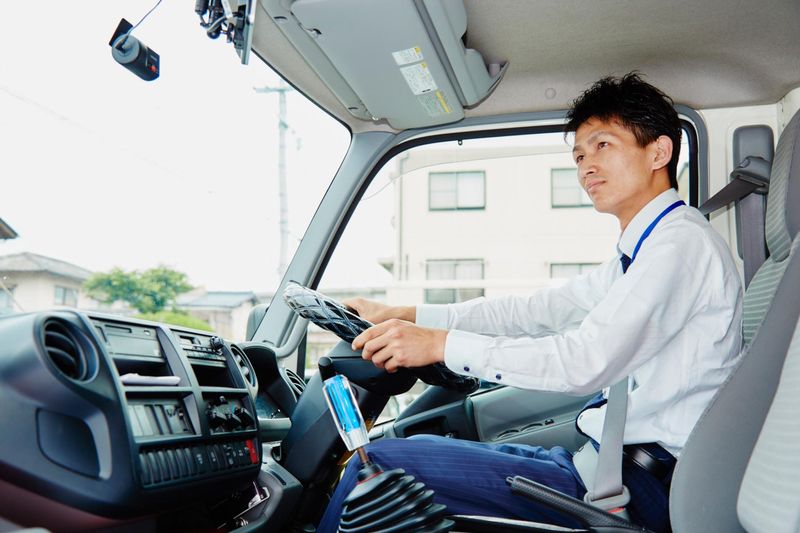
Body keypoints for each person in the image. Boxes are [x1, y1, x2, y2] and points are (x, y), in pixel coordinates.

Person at [316, 72, 743, 533]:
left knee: (376, 464)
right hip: (605, 466)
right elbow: (537, 311)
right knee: (405, 457)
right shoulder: (643, 250)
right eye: (579, 155)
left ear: (658, 152)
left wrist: (440, 345)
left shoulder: (678, 247)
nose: (586, 167)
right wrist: (408, 315)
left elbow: (584, 363)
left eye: (602, 146)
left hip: (636, 488)